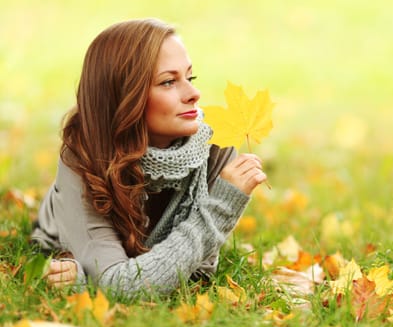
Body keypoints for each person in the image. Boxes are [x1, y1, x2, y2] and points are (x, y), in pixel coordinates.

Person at [31, 18, 267, 294]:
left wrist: (94, 281)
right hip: (60, 219)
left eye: (190, 78)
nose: (194, 94)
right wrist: (217, 211)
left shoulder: (215, 151)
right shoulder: (83, 158)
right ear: (123, 98)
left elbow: (196, 275)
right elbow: (121, 287)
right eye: (168, 82)